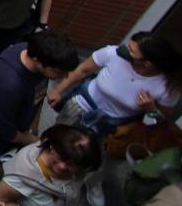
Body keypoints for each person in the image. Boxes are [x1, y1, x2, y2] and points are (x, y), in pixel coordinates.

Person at [0, 28, 78, 155]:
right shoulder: (6, 85)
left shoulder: (29, 51)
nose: (65, 76)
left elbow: (36, 96)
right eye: (59, 72)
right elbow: (2, 129)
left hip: (7, 126)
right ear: (37, 61)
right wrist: (33, 140)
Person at [49, 30, 182, 138]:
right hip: (81, 104)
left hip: (111, 125)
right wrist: (58, 90)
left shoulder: (167, 88)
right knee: (55, 135)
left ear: (146, 63)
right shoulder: (113, 53)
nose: (124, 50)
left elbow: (162, 118)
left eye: (131, 51)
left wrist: (151, 108)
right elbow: (83, 70)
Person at [0, 125, 102, 206]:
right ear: (52, 147)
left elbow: (72, 192)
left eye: (72, 164)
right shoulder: (23, 173)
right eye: (61, 157)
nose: (62, 166)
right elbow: (0, 201)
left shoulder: (79, 169)